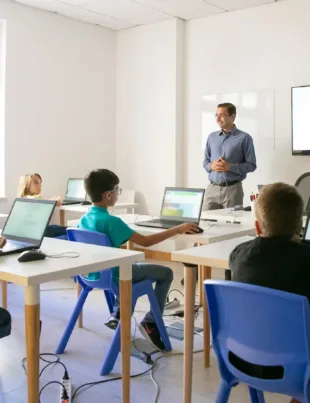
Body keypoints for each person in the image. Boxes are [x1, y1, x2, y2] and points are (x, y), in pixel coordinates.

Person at [79, 169, 200, 351]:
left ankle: (119, 312)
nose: (118, 193)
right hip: (116, 277)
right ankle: (150, 322)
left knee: (130, 264)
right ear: (108, 195)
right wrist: (177, 229)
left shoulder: (84, 219)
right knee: (166, 273)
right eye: (117, 190)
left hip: (92, 276)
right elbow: (146, 242)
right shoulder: (112, 222)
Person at [229, 183, 309, 403]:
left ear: (257, 226)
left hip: (241, 361)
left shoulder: (238, 255)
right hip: (297, 369)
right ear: (299, 225)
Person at [203, 103, 257, 210]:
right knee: (205, 223)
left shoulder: (244, 138)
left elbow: (251, 165)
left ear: (233, 116)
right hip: (212, 190)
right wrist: (211, 166)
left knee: (230, 225)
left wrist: (229, 167)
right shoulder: (211, 137)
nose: (218, 119)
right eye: (216, 115)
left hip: (232, 191)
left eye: (222, 115)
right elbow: (205, 162)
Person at [18, 173, 66, 238]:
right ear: (27, 185)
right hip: (40, 232)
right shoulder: (36, 198)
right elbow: (58, 202)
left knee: (56, 226)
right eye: (36, 183)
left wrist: (50, 199)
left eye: (40, 183)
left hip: (29, 232)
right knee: (67, 230)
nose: (40, 185)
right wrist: (58, 198)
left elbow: (43, 199)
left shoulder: (22, 198)